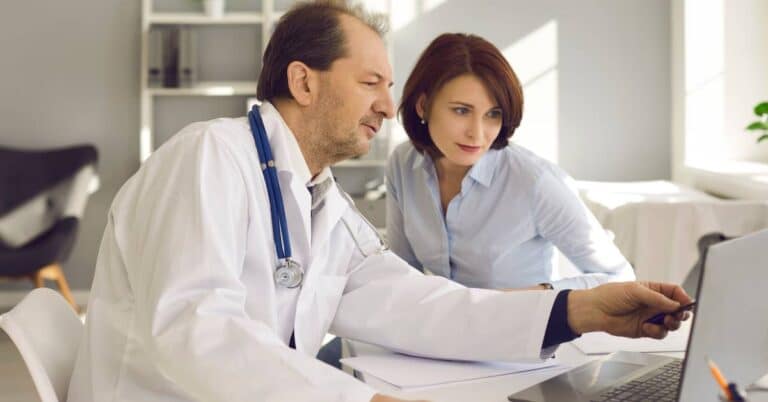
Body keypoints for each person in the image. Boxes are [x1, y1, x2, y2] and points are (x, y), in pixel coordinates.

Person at [67, 2, 691, 402]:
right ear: (303, 81)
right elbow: (197, 330)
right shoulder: (208, 157)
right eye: (370, 83)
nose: (390, 107)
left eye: (389, 87)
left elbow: (421, 305)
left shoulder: (319, 201)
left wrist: (579, 310)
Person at [387, 33, 635, 291]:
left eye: (493, 114)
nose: (478, 133)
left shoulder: (535, 181)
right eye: (461, 110)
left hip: (525, 326)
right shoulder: (402, 165)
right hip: (444, 326)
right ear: (423, 106)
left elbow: (619, 276)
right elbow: (400, 271)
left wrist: (536, 296)